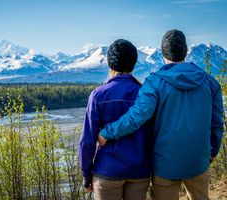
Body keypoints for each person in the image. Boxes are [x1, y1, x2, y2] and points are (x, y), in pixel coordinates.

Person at [99, 30, 224, 200]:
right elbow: (216, 123)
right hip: (198, 161)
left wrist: (107, 132)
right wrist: (212, 152)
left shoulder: (154, 82)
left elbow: (137, 117)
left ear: (162, 53)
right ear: (185, 51)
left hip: (165, 165)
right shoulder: (210, 82)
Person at [79, 39, 152, 200]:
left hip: (107, 171)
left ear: (109, 64)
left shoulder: (98, 95)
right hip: (139, 170)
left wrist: (86, 174)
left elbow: (87, 141)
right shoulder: (145, 94)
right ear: (133, 63)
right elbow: (152, 134)